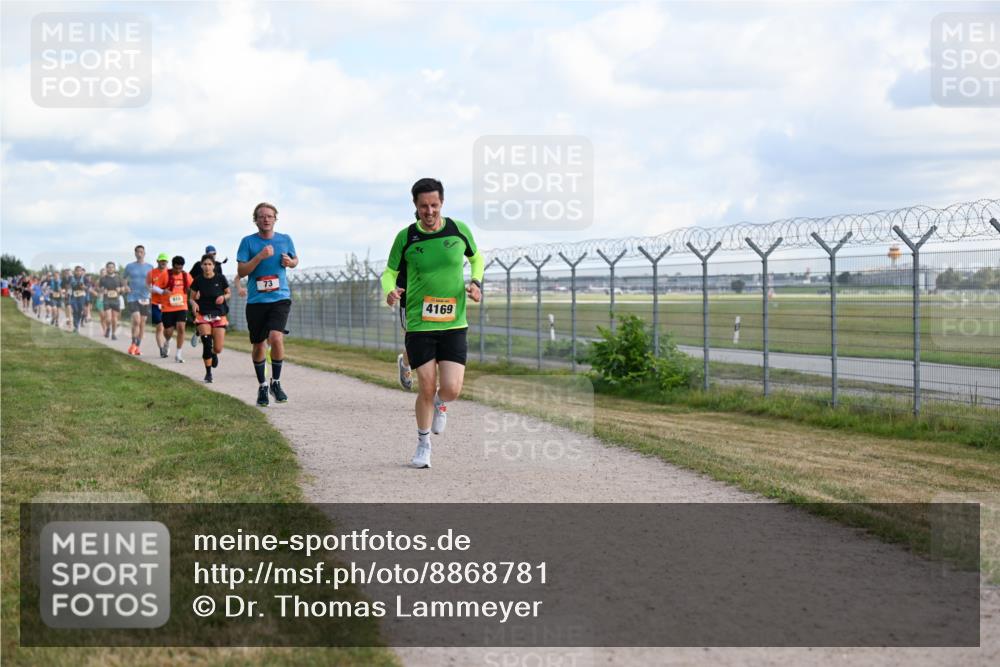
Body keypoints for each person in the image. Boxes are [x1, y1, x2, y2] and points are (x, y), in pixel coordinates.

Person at [382, 178, 484, 468]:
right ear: (415, 206)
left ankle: (442, 403)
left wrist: (476, 283)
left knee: (451, 389)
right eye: (424, 206)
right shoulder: (406, 237)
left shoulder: (458, 230)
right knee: (426, 386)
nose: (429, 211)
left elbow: (478, 259)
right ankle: (423, 444)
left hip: (454, 321)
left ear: (442, 204)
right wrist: (389, 290)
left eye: (435, 205)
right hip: (419, 320)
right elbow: (389, 271)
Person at [237, 201, 298, 407]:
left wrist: (291, 263)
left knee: (276, 337)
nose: (266, 219)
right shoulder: (248, 242)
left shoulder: (285, 239)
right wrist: (260, 257)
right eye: (262, 216)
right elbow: (242, 271)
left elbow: (295, 259)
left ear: (275, 219)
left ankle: (276, 382)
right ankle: (263, 385)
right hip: (256, 301)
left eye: (269, 216)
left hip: (280, 297)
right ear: (256, 220)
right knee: (258, 344)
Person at [190, 254, 231, 383]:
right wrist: (194, 304)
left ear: (214, 266)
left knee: (218, 348)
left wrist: (223, 297)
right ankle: (208, 373)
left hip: (219, 314)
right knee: (207, 343)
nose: (207, 267)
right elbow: (191, 298)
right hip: (203, 314)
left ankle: (214, 354)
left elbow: (228, 293)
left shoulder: (221, 278)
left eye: (209, 264)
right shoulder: (198, 280)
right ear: (201, 266)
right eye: (205, 264)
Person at [156, 256, 193, 363]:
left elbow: (194, 286)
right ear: (172, 266)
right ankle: (167, 342)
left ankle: (178, 354)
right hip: (167, 307)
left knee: (181, 328)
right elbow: (155, 287)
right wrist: (162, 292)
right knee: (168, 332)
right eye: (176, 268)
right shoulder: (165, 274)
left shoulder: (186, 275)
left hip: (182, 306)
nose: (178, 271)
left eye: (180, 268)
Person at [123, 245, 154, 355]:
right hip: (133, 296)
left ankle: (137, 346)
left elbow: (153, 281)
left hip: (145, 297)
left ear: (144, 253)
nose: (139, 253)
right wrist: (126, 286)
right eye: (137, 252)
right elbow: (124, 278)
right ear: (135, 253)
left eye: (141, 252)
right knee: (136, 320)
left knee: (142, 323)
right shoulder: (129, 266)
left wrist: (151, 288)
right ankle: (132, 344)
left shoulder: (150, 267)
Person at [147, 253, 171, 357]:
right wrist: (160, 291)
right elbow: (148, 287)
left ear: (167, 262)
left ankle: (166, 343)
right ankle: (161, 349)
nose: (163, 263)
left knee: (168, 328)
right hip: (155, 304)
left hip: (168, 304)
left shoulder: (170, 273)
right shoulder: (151, 273)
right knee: (160, 326)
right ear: (157, 261)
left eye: (165, 261)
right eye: (161, 261)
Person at [98, 262, 124, 339]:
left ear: (114, 268)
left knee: (114, 318)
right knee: (108, 318)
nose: (110, 268)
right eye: (109, 267)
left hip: (116, 300)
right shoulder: (103, 279)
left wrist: (120, 290)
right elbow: (100, 289)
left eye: (112, 267)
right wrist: (103, 290)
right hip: (107, 300)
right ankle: (108, 328)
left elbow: (123, 288)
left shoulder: (118, 278)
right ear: (106, 268)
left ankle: (113, 334)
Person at [67, 266, 91, 333]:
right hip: (73, 296)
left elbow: (88, 287)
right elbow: (68, 287)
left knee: (80, 311)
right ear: (75, 271)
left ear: (81, 272)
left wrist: (84, 287)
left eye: (80, 271)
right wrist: (68, 290)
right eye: (77, 271)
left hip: (82, 297)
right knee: (75, 310)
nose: (78, 272)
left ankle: (77, 323)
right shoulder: (71, 278)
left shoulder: (85, 278)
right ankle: (76, 326)